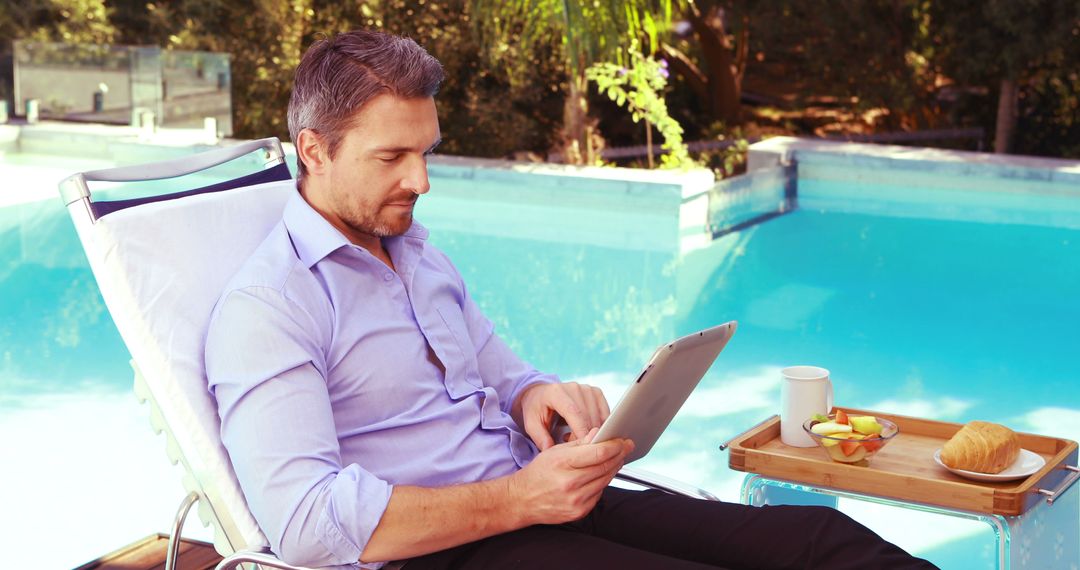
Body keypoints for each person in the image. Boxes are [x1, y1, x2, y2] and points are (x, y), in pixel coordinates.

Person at [205, 29, 937, 570]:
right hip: (441, 551)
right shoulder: (270, 308)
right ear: (314, 149)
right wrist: (520, 501)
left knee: (823, 543)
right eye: (391, 157)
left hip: (544, 505)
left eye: (425, 152)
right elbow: (303, 522)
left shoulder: (417, 255)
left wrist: (538, 397)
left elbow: (501, 373)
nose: (420, 181)